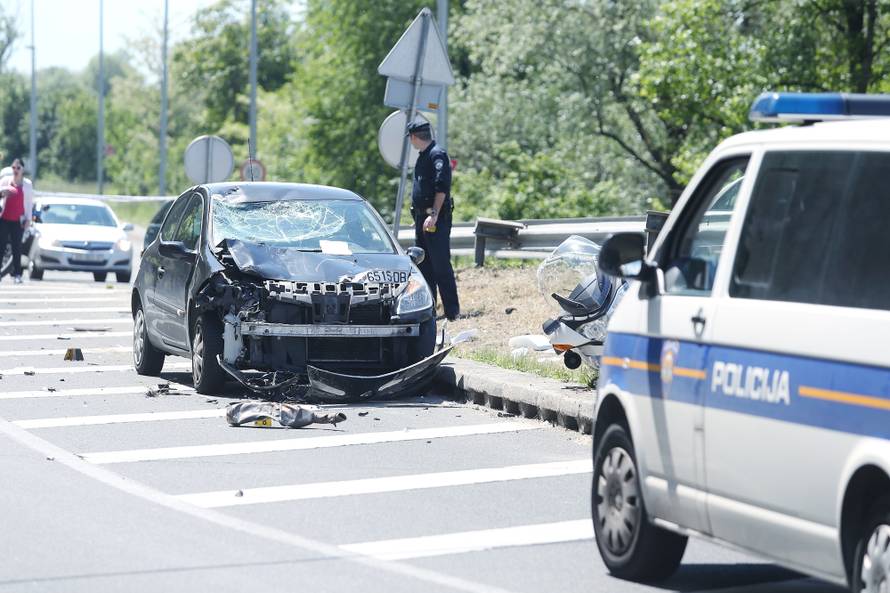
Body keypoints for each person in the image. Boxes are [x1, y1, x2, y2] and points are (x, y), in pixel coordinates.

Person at [407, 120, 460, 321]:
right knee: (424, 267)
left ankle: (452, 312)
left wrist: (434, 215)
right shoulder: (424, 156)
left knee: (440, 265)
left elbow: (441, 188)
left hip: (434, 219)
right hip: (424, 218)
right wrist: (420, 216)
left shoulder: (437, 154)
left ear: (413, 136)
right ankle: (429, 311)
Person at [0, 158, 34, 284]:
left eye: (18, 168)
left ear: (22, 170)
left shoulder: (27, 184)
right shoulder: (5, 181)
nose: (15, 170)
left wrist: (28, 219)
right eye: (13, 168)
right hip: (4, 218)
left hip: (17, 220)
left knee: (16, 248)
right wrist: (3, 193)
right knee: (1, 246)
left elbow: (29, 204)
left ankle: (17, 275)